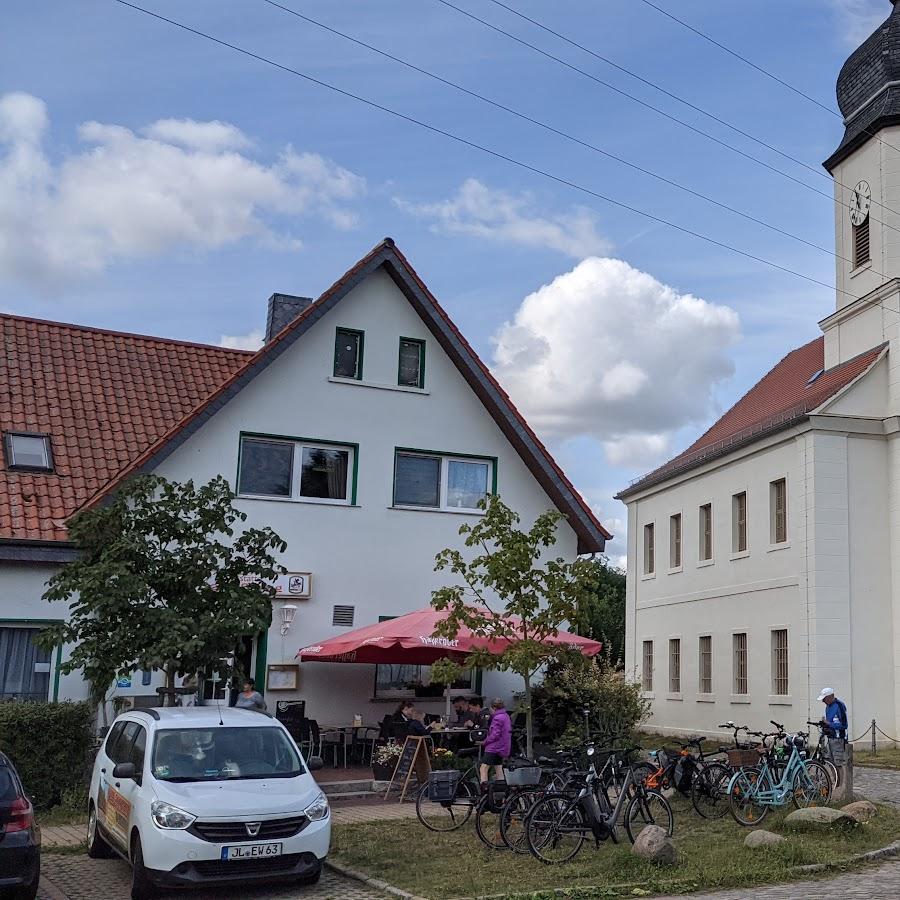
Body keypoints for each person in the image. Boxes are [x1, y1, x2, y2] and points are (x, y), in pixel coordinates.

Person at [480, 698, 511, 786]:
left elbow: (495, 735)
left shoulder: (497, 718)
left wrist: (485, 742)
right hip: (502, 748)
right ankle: (501, 792)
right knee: (498, 768)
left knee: (483, 768)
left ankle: (484, 791)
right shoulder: (506, 716)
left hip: (493, 748)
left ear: (494, 707)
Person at [818, 687, 849, 765]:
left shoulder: (839, 706)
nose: (823, 701)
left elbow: (844, 725)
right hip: (830, 738)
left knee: (839, 764)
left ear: (830, 697)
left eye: (824, 699)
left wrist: (828, 723)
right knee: (831, 763)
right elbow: (830, 722)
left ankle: (840, 777)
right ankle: (835, 777)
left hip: (838, 739)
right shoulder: (828, 707)